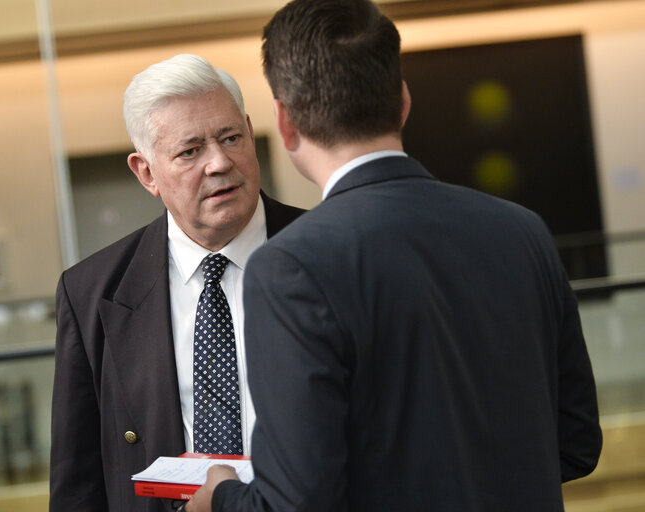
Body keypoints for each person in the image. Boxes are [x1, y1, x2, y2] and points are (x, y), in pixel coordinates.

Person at [186, 1, 602, 511]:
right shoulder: (523, 230)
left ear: (285, 122)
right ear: (402, 101)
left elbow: (297, 502)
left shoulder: (290, 266)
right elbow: (577, 442)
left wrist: (219, 498)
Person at [49, 54, 305, 512]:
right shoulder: (91, 292)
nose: (219, 163)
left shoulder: (327, 255)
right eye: (190, 151)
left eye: (231, 138)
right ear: (146, 172)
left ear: (250, 131)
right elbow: (77, 483)